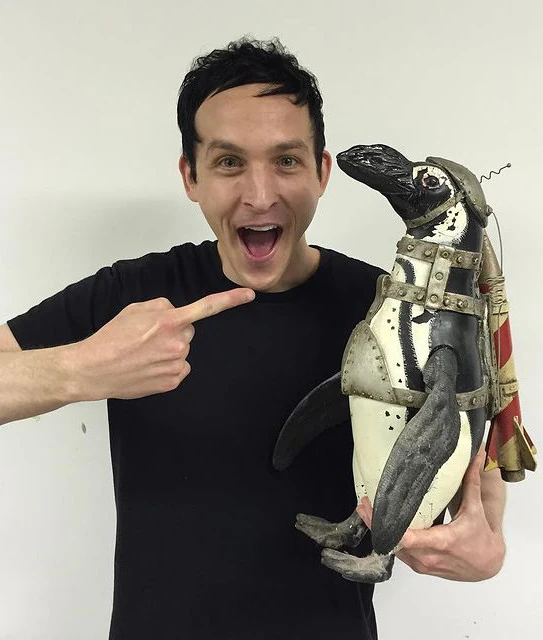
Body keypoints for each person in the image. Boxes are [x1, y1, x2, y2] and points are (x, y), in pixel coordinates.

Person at [0, 38, 505, 639]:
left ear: (322, 172)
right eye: (229, 162)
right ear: (190, 176)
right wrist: (81, 369)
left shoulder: (388, 311)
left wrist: (487, 551)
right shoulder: (135, 296)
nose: (260, 195)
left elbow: (478, 460)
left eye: (286, 161)